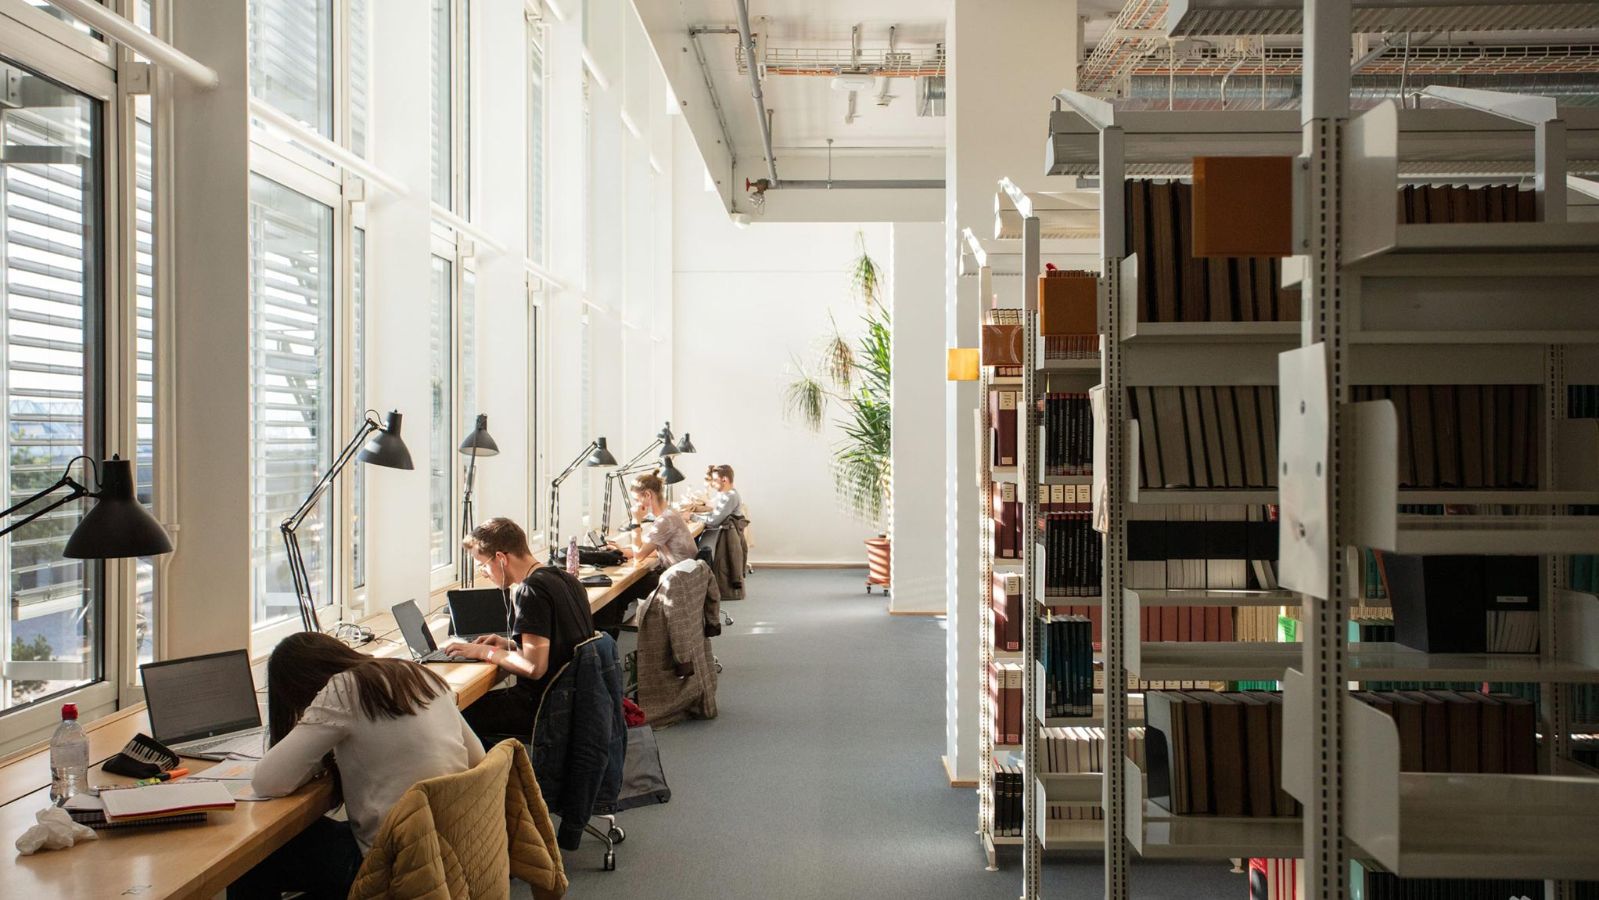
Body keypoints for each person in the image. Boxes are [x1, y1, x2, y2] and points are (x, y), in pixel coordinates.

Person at [229, 633, 485, 900]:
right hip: (453, 846)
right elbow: (477, 757)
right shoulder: (415, 672)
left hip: (395, 863)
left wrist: (313, 748)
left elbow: (268, 781)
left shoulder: (343, 689)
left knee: (251, 859)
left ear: (303, 687)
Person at [446, 517, 595, 743]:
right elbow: (561, 644)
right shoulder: (566, 579)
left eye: (482, 565)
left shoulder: (530, 591)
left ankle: (498, 775)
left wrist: (483, 653)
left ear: (500, 558)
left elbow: (534, 667)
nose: (484, 573)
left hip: (544, 706)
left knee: (456, 715)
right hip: (574, 701)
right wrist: (510, 645)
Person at [598, 470, 698, 634]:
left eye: (637, 499)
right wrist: (622, 551)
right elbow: (651, 550)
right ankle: (608, 639)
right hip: (683, 577)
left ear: (648, 495)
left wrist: (635, 521)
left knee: (616, 594)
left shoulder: (664, 521)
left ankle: (606, 640)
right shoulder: (669, 514)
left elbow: (640, 554)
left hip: (677, 583)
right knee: (623, 591)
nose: (637, 505)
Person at [694, 464, 743, 529]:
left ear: (724, 480)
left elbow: (713, 521)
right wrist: (696, 515)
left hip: (724, 538)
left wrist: (692, 517)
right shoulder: (730, 494)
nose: (712, 484)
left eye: (715, 480)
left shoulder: (730, 496)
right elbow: (715, 515)